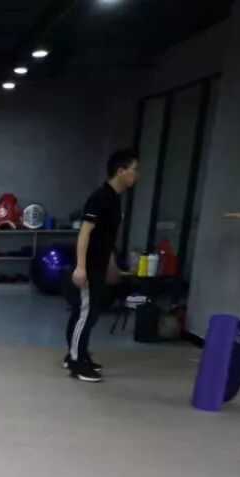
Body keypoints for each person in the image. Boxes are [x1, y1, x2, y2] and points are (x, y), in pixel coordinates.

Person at [66, 148, 140, 383]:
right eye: (134, 169)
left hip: (100, 265)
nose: (136, 175)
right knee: (85, 314)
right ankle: (76, 363)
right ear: (120, 171)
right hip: (88, 266)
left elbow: (106, 238)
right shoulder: (100, 198)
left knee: (88, 313)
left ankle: (78, 354)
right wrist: (80, 267)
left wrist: (112, 265)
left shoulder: (115, 199)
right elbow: (84, 233)